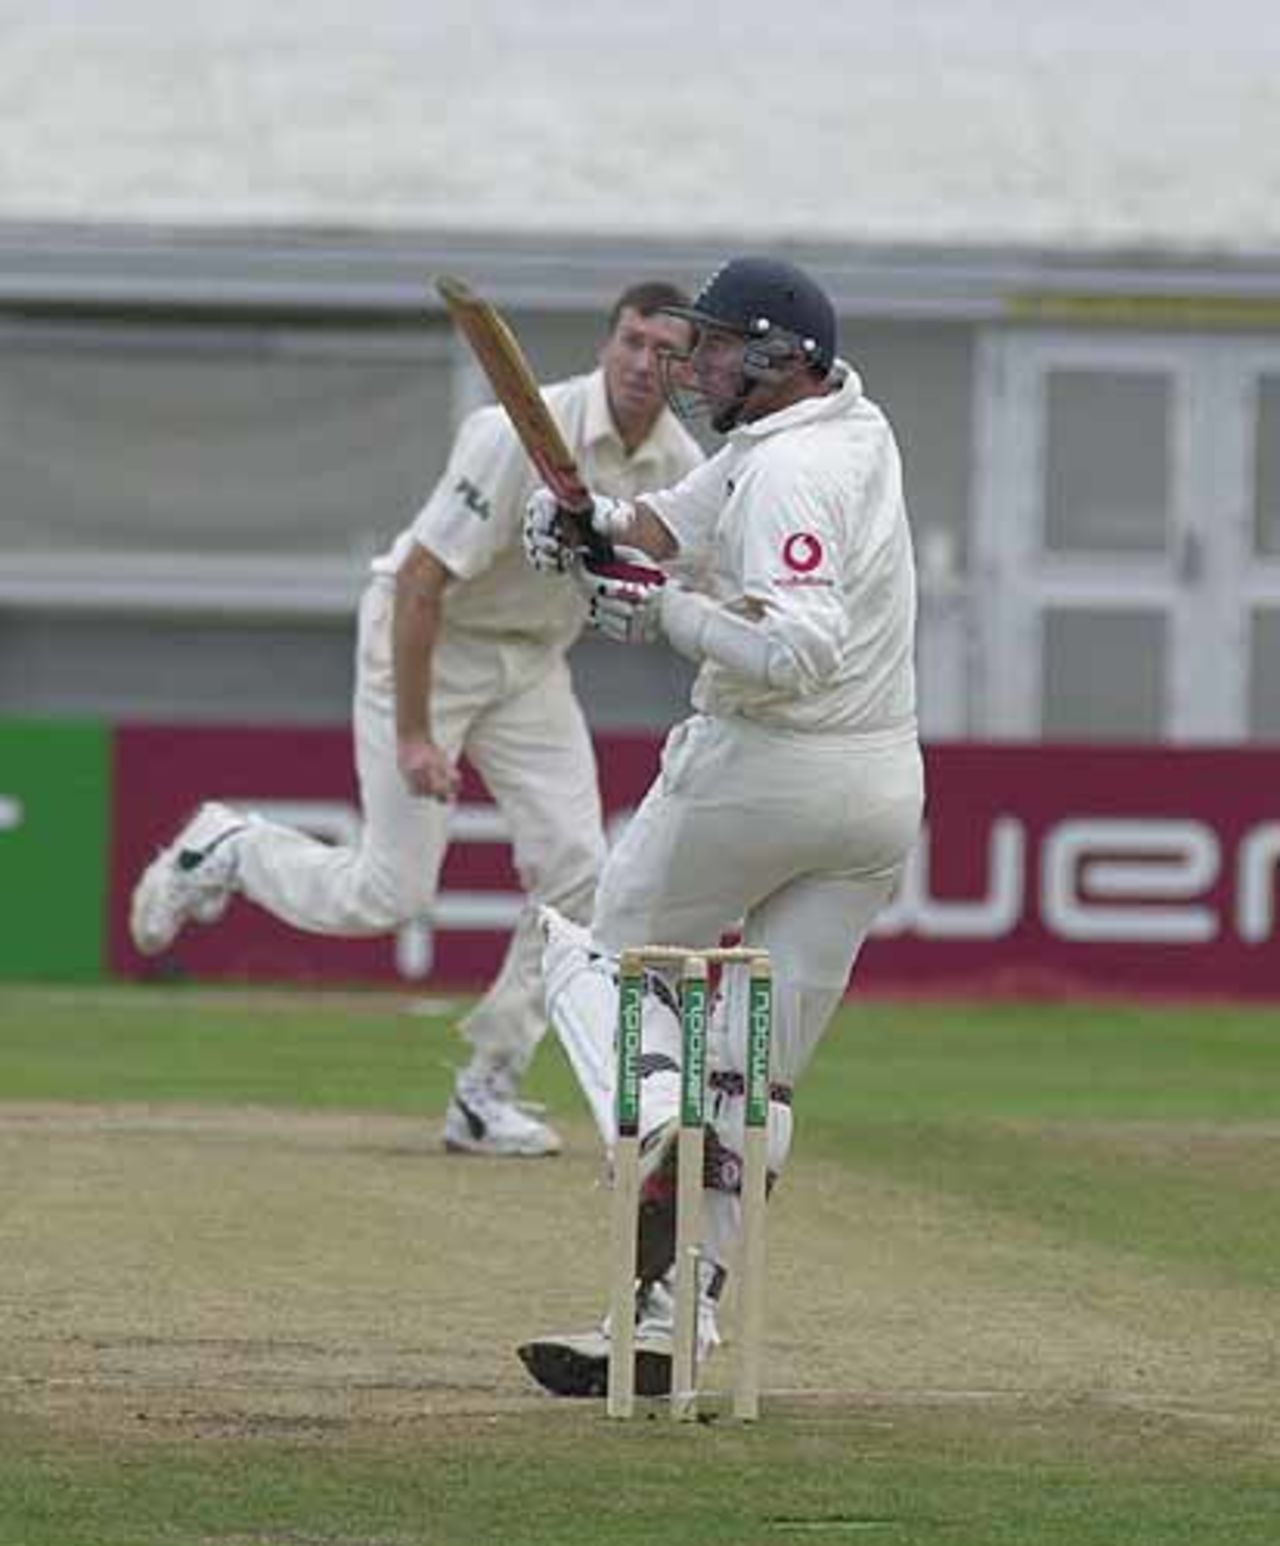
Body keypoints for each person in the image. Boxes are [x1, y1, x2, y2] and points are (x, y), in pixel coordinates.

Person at [129, 281, 703, 1158]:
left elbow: (685, 578)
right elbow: (421, 584)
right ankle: (229, 848)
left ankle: (486, 1089)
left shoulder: (680, 467)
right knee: (388, 895)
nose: (640, 363)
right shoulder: (513, 432)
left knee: (583, 874)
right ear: (606, 342)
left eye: (664, 351)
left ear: (686, 368)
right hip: (430, 640)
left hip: (533, 665)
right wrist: (414, 735)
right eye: (630, 340)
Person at [514, 256, 925, 1396]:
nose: (689, 365)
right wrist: (591, 526)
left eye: (709, 347)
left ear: (774, 357)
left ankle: (652, 1115)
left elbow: (798, 649)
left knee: (597, 961)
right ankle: (668, 1320)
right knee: (753, 1077)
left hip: (764, 769)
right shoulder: (841, 426)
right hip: (878, 789)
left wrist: (665, 615)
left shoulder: (789, 470)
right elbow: (669, 523)